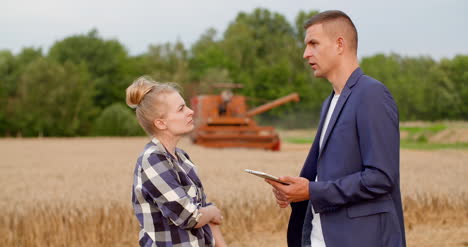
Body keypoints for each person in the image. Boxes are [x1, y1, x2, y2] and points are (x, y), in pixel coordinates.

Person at [265, 10, 406, 247]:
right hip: (318, 236)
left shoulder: (371, 94)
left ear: (339, 44)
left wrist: (312, 191)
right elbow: (324, 175)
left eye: (313, 43)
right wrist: (294, 190)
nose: (305, 53)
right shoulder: (331, 101)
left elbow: (381, 178)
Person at [126, 76, 227, 247]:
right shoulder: (152, 160)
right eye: (181, 109)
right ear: (160, 123)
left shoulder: (182, 158)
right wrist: (211, 212)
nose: (190, 111)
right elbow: (189, 217)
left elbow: (204, 210)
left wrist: (209, 214)